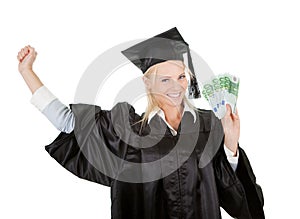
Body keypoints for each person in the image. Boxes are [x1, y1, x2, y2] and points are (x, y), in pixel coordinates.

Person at [17, 27, 264, 219]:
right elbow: (69, 122)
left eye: (181, 77)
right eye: (165, 80)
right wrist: (28, 72)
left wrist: (231, 147)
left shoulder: (209, 125)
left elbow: (234, 199)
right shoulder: (126, 129)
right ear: (148, 83)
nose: (177, 87)